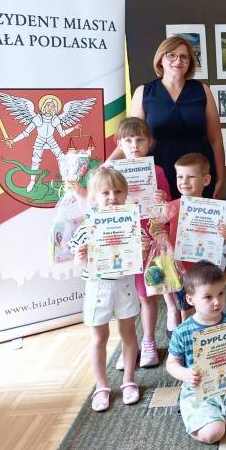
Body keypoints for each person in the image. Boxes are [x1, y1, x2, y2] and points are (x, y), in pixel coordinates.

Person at [112, 36, 226, 199]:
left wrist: (220, 177)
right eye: (172, 55)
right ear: (160, 59)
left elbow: (216, 139)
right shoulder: (144, 92)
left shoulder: (202, 90)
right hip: (157, 172)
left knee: (195, 216)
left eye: (184, 57)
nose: (178, 61)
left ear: (190, 62)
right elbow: (130, 137)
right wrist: (107, 164)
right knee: (163, 215)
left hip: (197, 173)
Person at [69, 167, 143, 412]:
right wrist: (80, 256)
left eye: (118, 192)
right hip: (97, 287)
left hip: (125, 286)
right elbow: (77, 264)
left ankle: (129, 380)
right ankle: (101, 386)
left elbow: (142, 254)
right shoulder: (85, 228)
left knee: (129, 333)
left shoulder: (133, 224)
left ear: (126, 195)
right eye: (105, 193)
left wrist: (142, 245)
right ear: (93, 198)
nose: (112, 197)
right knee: (99, 337)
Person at [166, 261, 226, 444]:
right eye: (208, 297)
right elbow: (171, 363)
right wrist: (184, 373)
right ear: (190, 299)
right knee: (214, 433)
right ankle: (195, 415)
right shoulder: (182, 331)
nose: (217, 301)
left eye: (221, 293)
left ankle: (218, 416)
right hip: (198, 389)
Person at [113, 117, 170, 370]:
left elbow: (166, 211)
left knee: (147, 294)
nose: (134, 145)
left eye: (139, 140)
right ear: (120, 144)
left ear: (150, 143)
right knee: (123, 297)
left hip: (149, 239)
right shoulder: (114, 174)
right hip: (123, 240)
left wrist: (161, 198)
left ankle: (148, 340)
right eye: (128, 140)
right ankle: (129, 345)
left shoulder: (157, 172)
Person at [163, 152, 226, 336]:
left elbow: (222, 241)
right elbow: (156, 227)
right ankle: (187, 337)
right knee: (186, 306)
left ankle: (208, 335)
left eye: (190, 177)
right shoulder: (172, 206)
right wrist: (156, 206)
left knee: (207, 302)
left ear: (206, 180)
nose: (184, 182)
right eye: (180, 177)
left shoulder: (215, 210)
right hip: (181, 269)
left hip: (205, 268)